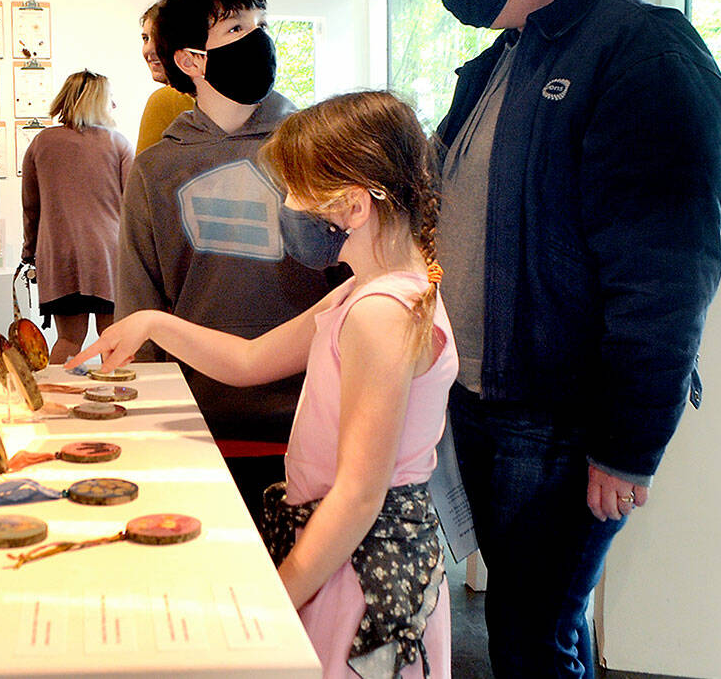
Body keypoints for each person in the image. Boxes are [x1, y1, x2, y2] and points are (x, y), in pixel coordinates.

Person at [434, 0, 721, 678]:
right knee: (540, 625)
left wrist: (627, 446)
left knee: (534, 634)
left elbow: (665, 273)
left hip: (561, 421)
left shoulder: (639, 52)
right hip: (489, 402)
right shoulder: (499, 62)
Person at [72, 91, 456, 679]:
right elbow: (250, 361)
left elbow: (357, 496)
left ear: (354, 205)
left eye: (299, 193)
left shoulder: (379, 314)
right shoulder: (371, 288)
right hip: (346, 554)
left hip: (355, 568)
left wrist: (278, 597)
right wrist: (153, 322)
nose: (291, 206)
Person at [114, 0, 334, 531]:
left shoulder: (317, 148)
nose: (259, 39)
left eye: (262, 23)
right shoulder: (157, 169)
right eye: (237, 28)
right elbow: (141, 306)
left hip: (311, 421)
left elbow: (356, 284)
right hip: (197, 424)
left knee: (308, 604)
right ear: (190, 61)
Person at [20, 70, 133, 364]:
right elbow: (133, 207)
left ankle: (56, 401)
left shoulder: (41, 143)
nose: (115, 106)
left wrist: (29, 252)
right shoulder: (118, 144)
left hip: (60, 256)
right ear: (98, 102)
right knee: (114, 340)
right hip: (108, 256)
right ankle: (116, 398)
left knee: (68, 340)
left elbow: (31, 207)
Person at [135, 0, 195, 154]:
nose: (149, 50)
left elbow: (145, 176)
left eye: (160, 38)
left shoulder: (164, 99)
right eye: (145, 39)